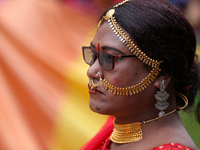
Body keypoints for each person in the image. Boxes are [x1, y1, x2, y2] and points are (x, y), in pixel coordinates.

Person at [81, 0, 200, 149]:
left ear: (161, 74)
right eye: (93, 55)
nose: (91, 71)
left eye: (109, 58)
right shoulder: (115, 129)